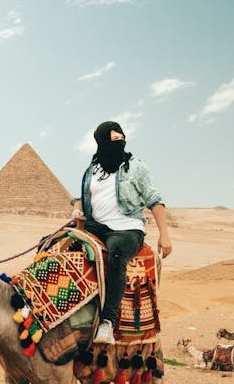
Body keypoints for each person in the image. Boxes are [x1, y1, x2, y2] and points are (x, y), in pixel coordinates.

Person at [71, 121, 173, 344]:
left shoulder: (135, 166)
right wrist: (77, 210)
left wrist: (164, 234)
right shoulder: (92, 169)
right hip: (95, 225)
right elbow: (79, 196)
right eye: (114, 140)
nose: (120, 144)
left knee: (116, 255)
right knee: (59, 245)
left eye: (122, 139)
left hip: (127, 228)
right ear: (102, 142)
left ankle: (107, 322)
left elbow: (154, 200)